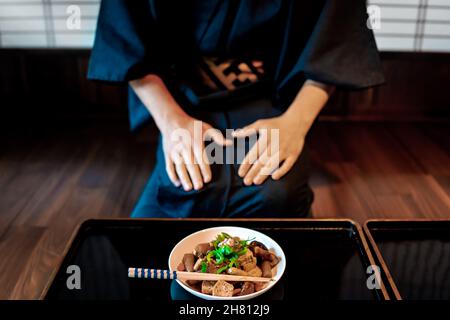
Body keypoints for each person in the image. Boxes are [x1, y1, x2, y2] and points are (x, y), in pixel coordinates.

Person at [88, 0, 384, 218]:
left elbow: (338, 41)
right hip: (183, 102)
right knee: (182, 193)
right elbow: (126, 38)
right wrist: (173, 125)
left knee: (274, 194)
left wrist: (295, 123)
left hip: (273, 99)